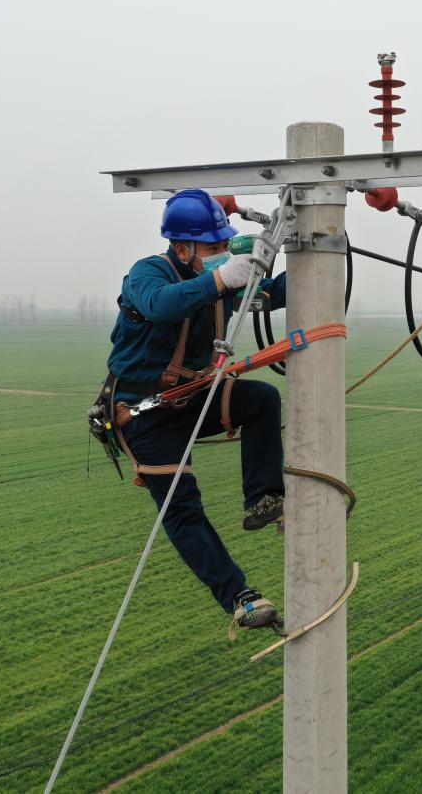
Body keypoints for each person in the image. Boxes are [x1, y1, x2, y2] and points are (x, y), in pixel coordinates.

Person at [106, 189, 286, 635]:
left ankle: (263, 499)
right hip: (143, 414)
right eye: (213, 247)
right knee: (183, 510)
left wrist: (312, 255)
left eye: (225, 246)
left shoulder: (219, 275)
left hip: (193, 398)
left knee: (261, 399)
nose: (222, 253)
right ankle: (239, 598)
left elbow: (272, 294)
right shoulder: (147, 274)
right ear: (182, 247)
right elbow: (161, 305)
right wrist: (223, 279)